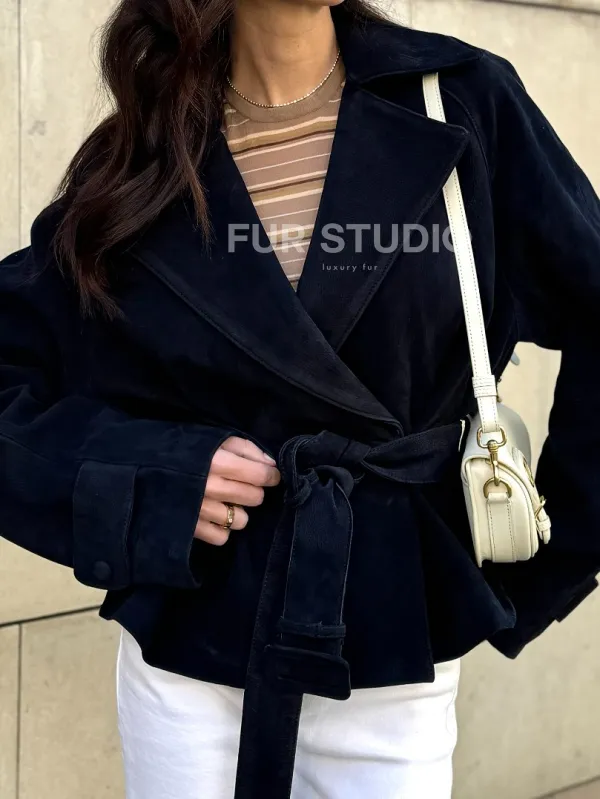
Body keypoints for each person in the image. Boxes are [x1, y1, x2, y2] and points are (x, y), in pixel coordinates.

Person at [1, 1, 599, 797]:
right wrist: (146, 476)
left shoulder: (456, 101)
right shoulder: (147, 150)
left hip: (389, 636)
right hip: (192, 644)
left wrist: (550, 563)